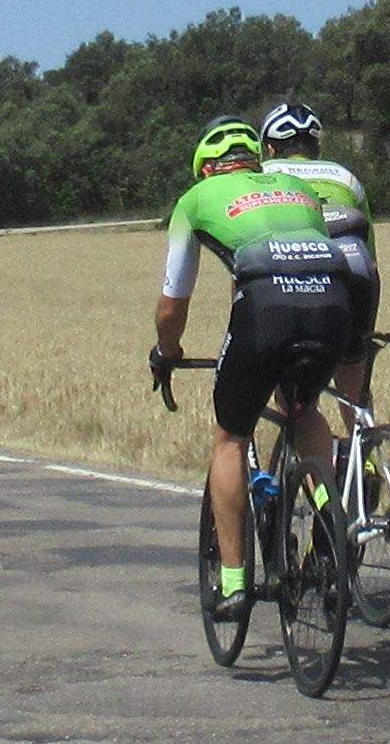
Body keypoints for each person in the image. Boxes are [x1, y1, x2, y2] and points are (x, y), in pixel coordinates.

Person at [147, 119, 358, 615]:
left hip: (266, 308)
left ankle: (233, 583)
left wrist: (167, 352)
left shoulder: (195, 200)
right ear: (255, 160)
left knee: (231, 438)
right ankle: (333, 519)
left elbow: (173, 305)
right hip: (334, 304)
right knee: (302, 411)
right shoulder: (296, 187)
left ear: (205, 168)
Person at [258, 96, 379, 409]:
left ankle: (306, 431)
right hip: (356, 274)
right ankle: (363, 436)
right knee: (353, 379)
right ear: (316, 146)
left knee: (292, 394)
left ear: (269, 147)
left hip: (292, 281)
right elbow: (370, 252)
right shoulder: (346, 177)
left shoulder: (261, 175)